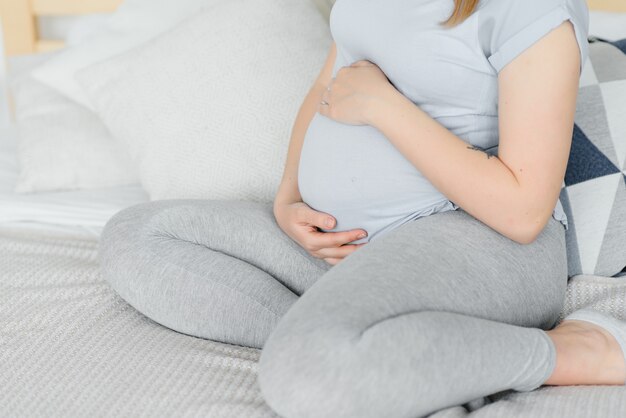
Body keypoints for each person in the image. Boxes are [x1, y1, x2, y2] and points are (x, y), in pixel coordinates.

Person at [99, 0, 626, 417]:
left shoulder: (532, 8)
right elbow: (328, 82)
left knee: (307, 379)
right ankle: (397, 352)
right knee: (139, 236)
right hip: (341, 246)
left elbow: (522, 210)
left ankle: (573, 352)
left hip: (475, 239)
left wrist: (383, 107)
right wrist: (288, 196)